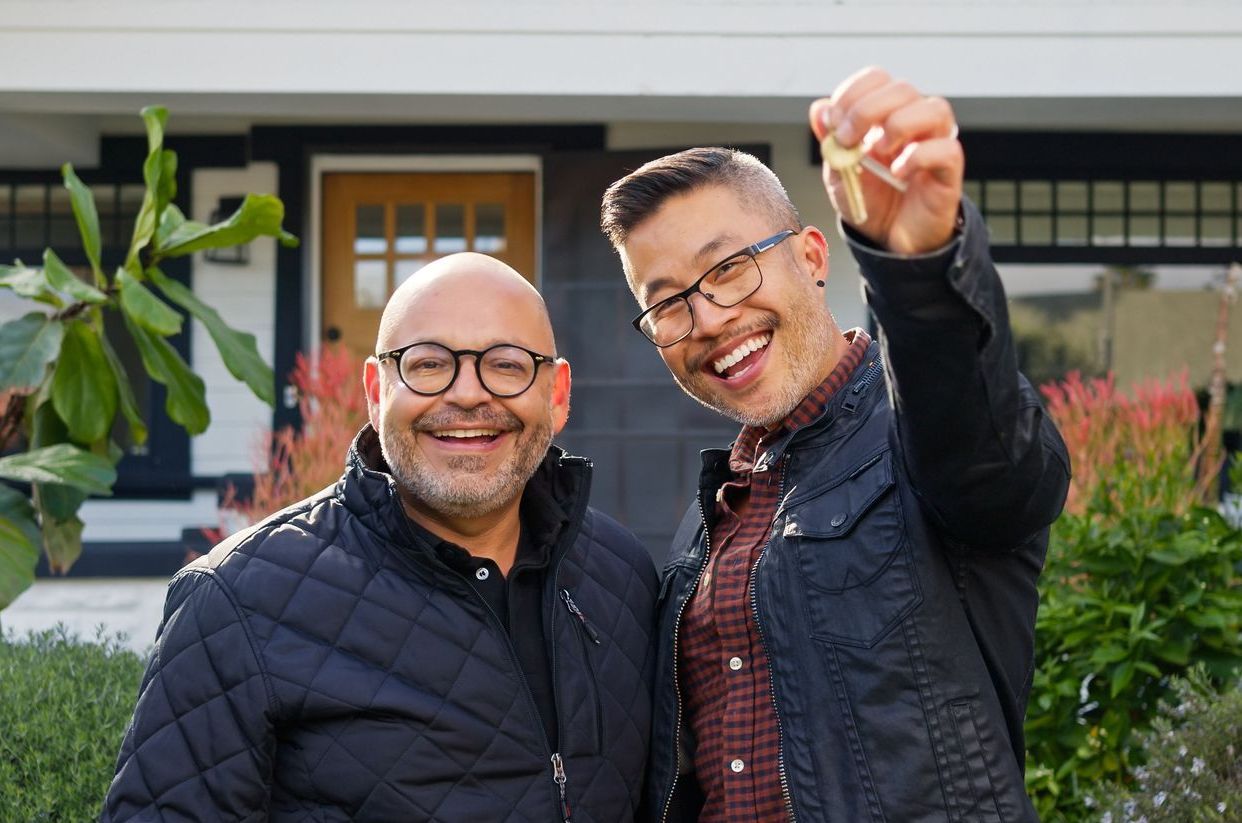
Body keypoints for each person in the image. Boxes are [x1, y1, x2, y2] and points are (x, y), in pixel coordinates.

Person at [600, 67, 1070, 821]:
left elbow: (989, 462)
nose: (711, 317)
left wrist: (918, 273)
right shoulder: (710, 521)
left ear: (813, 258)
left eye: (728, 268)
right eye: (669, 304)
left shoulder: (917, 438)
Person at [103, 253, 658, 822]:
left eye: (508, 365)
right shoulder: (238, 601)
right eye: (427, 364)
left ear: (558, 393)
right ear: (376, 389)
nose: (467, 395)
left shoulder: (622, 577)